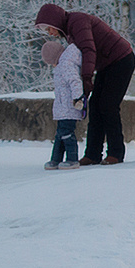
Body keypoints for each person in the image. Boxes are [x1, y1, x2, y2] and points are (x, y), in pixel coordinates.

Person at [33, 3, 135, 166]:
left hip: (121, 59)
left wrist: (86, 79)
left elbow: (88, 50)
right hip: (107, 64)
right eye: (47, 31)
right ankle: (93, 154)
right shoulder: (70, 31)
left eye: (50, 28)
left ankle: (116, 153)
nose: (50, 33)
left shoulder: (77, 21)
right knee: (95, 106)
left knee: (108, 106)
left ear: (56, 21)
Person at [42, 37, 83, 169]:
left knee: (66, 133)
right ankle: (56, 159)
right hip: (62, 107)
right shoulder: (62, 65)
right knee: (60, 134)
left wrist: (78, 98)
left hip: (69, 106)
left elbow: (75, 81)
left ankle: (72, 159)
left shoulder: (65, 65)